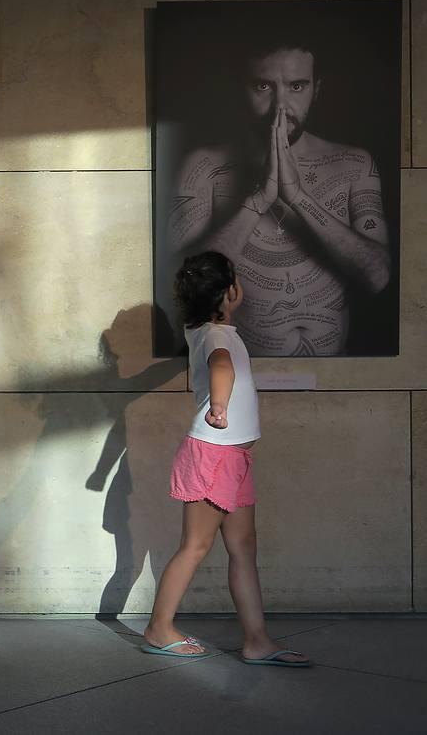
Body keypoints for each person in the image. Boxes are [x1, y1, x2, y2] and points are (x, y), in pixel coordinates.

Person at [168, 33, 390, 356]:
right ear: (241, 89)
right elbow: (182, 289)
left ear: (317, 90)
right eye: (263, 87)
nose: (280, 107)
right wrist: (257, 200)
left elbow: (378, 277)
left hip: (335, 383)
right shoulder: (204, 168)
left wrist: (298, 196)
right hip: (240, 376)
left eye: (297, 86)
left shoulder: (354, 165)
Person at [141, 251, 309, 666]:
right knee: (196, 546)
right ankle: (159, 628)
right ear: (230, 291)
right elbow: (221, 365)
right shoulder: (219, 337)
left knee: (243, 547)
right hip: (214, 454)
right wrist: (219, 406)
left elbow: (215, 358)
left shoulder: (202, 329)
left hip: (230, 458)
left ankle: (257, 640)